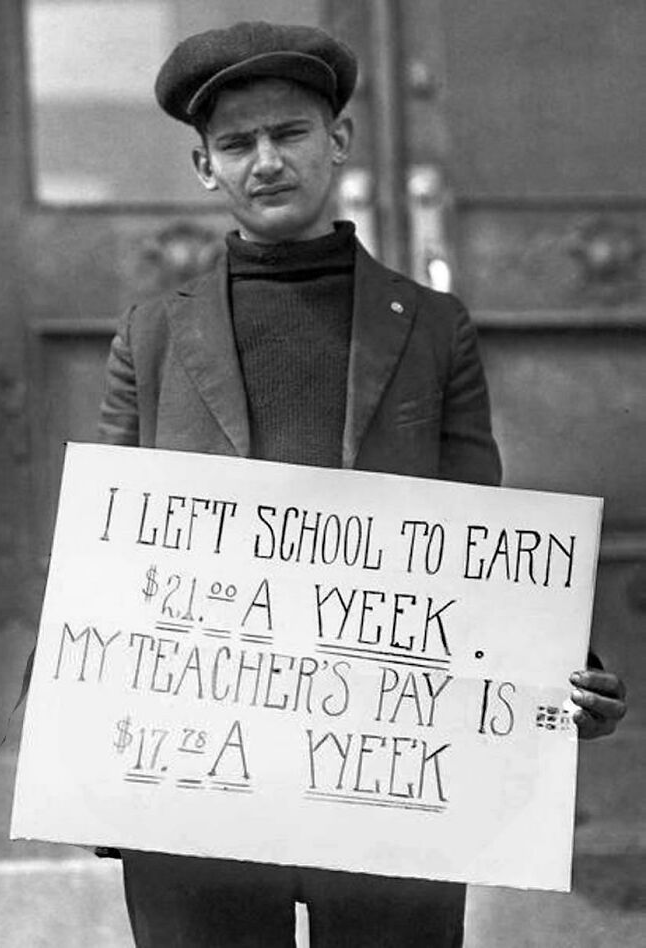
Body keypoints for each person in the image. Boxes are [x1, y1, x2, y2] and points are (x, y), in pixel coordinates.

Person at [97, 20, 627, 947]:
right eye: (236, 143)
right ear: (202, 169)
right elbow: (102, 549)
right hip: (199, 772)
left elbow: (478, 530)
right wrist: (78, 721)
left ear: (337, 143)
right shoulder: (149, 335)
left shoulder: (429, 327)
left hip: (386, 766)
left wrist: (557, 673)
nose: (265, 161)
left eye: (290, 134)